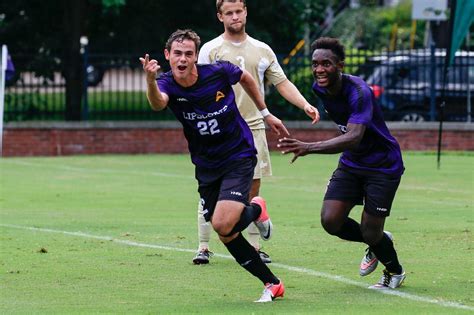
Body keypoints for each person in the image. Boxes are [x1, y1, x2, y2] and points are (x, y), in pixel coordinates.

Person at [139, 29, 285, 302]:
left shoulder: (218, 72)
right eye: (177, 54)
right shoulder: (166, 83)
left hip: (237, 155)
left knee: (221, 223)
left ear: (196, 56)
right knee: (226, 232)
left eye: (189, 54)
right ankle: (272, 281)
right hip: (206, 165)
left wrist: (265, 113)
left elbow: (246, 78)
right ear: (168, 56)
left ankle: (255, 214)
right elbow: (158, 104)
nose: (183, 59)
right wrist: (149, 80)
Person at [193, 0, 320, 265]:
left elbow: (281, 82)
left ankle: (254, 246)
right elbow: (198, 85)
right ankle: (203, 246)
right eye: (229, 13)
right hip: (219, 131)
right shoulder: (210, 50)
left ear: (246, 12)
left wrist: (304, 104)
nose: (235, 16)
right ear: (220, 16)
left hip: (253, 129)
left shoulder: (262, 50)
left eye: (239, 11)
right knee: (211, 190)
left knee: (252, 188)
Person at [277, 37, 406, 290]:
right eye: (315, 64)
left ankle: (395, 271)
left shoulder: (359, 91)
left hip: (382, 165)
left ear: (340, 66)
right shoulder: (319, 88)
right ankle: (380, 241)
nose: (319, 69)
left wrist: (308, 147)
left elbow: (354, 136)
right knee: (331, 221)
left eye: (326, 63)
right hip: (352, 163)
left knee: (370, 232)